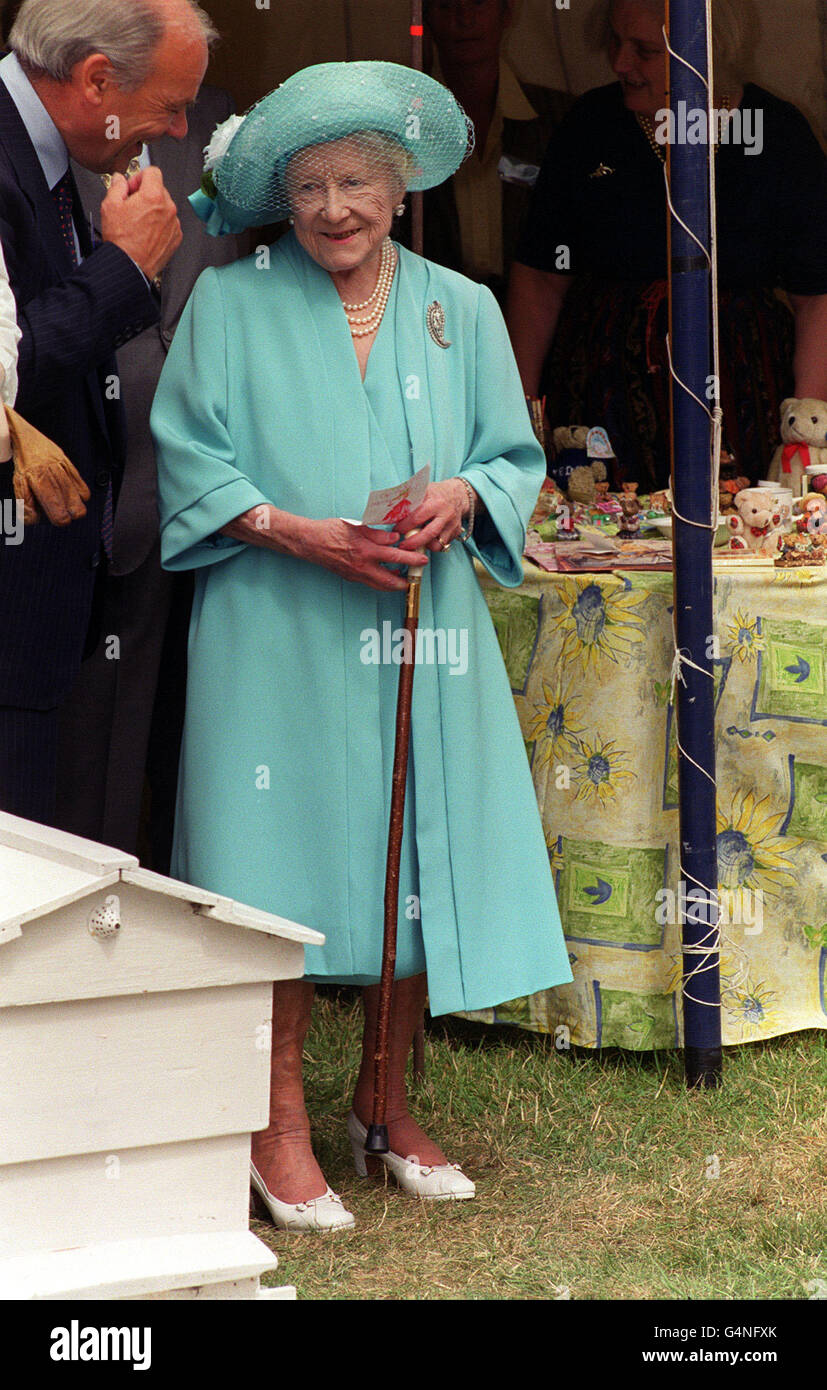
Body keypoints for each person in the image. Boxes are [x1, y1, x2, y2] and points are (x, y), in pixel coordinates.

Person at [151, 61, 572, 1232]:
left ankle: (383, 1104)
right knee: (265, 859)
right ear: (280, 201)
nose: (333, 207)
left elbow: (510, 459)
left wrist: (463, 497)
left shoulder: (461, 305)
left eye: (355, 183)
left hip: (415, 624)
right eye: (308, 186)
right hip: (271, 621)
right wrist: (290, 528)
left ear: (397, 191)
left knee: (417, 851)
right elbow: (188, 452)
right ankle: (271, 1125)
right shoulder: (232, 301)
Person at [0, 0, 214, 826]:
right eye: (171, 105)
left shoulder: (51, 160)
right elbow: (8, 376)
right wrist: (128, 266)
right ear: (96, 80)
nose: (175, 129)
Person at [507, 0, 827, 490]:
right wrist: (518, 417)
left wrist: (804, 437)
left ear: (705, 50)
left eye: (645, 51)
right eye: (615, 41)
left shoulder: (776, 132)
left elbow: (815, 296)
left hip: (742, 407)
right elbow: (541, 279)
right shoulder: (590, 126)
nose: (619, 63)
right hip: (603, 404)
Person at [53, 86, 243, 864]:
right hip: (82, 492)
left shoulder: (226, 121)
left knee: (193, 740)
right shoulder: (45, 123)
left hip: (213, 493)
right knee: (85, 744)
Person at [418, 0, 573, 301]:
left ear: (507, 12)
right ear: (425, 18)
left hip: (535, 318)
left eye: (479, 3)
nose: (464, 18)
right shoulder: (402, 123)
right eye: (446, 6)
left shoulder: (559, 119)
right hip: (431, 315)